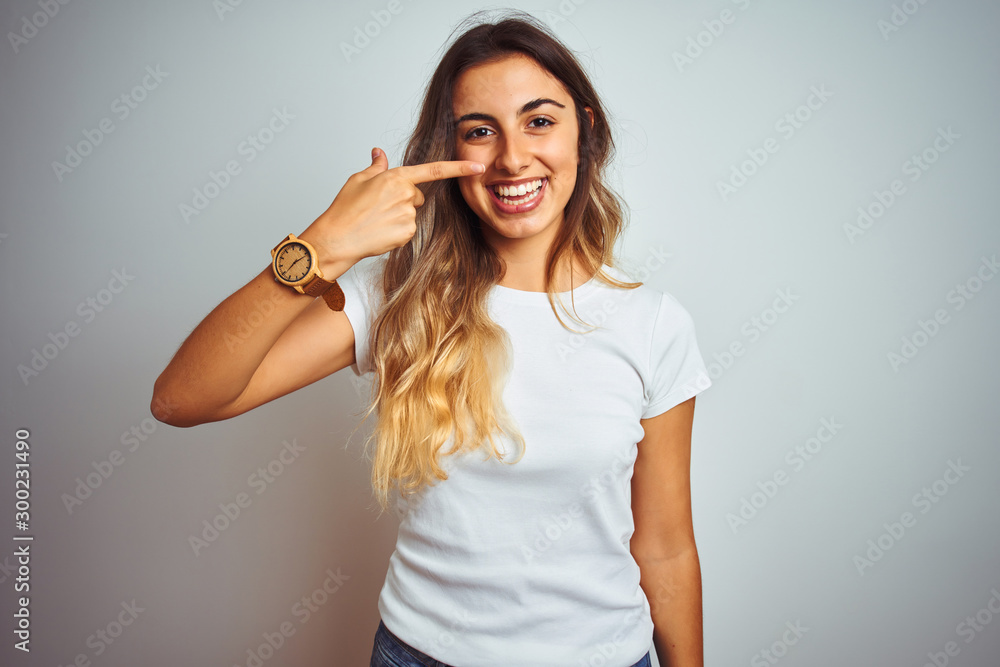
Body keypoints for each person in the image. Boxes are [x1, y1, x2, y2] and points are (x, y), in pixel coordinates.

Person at [152, 10, 712, 667]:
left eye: (539, 120)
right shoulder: (397, 297)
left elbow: (667, 546)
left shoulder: (653, 323)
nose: (511, 157)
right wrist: (322, 246)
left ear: (584, 131)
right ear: (448, 151)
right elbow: (182, 398)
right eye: (480, 131)